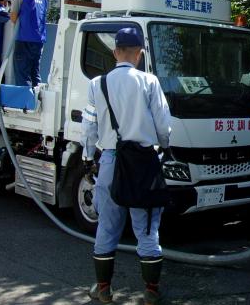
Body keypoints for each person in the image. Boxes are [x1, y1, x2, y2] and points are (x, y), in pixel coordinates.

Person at [83, 28, 172, 305]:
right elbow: (163, 125)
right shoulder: (149, 81)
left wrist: (89, 157)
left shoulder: (98, 83)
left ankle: (104, 289)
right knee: (146, 228)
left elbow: (89, 127)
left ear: (114, 51)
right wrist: (162, 146)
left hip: (110, 159)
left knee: (107, 226)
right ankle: (151, 292)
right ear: (140, 53)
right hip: (143, 162)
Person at [8, 0, 47, 88]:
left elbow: (13, 17)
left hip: (24, 39)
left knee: (22, 75)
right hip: (39, 40)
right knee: (35, 73)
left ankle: (26, 105)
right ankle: (38, 102)